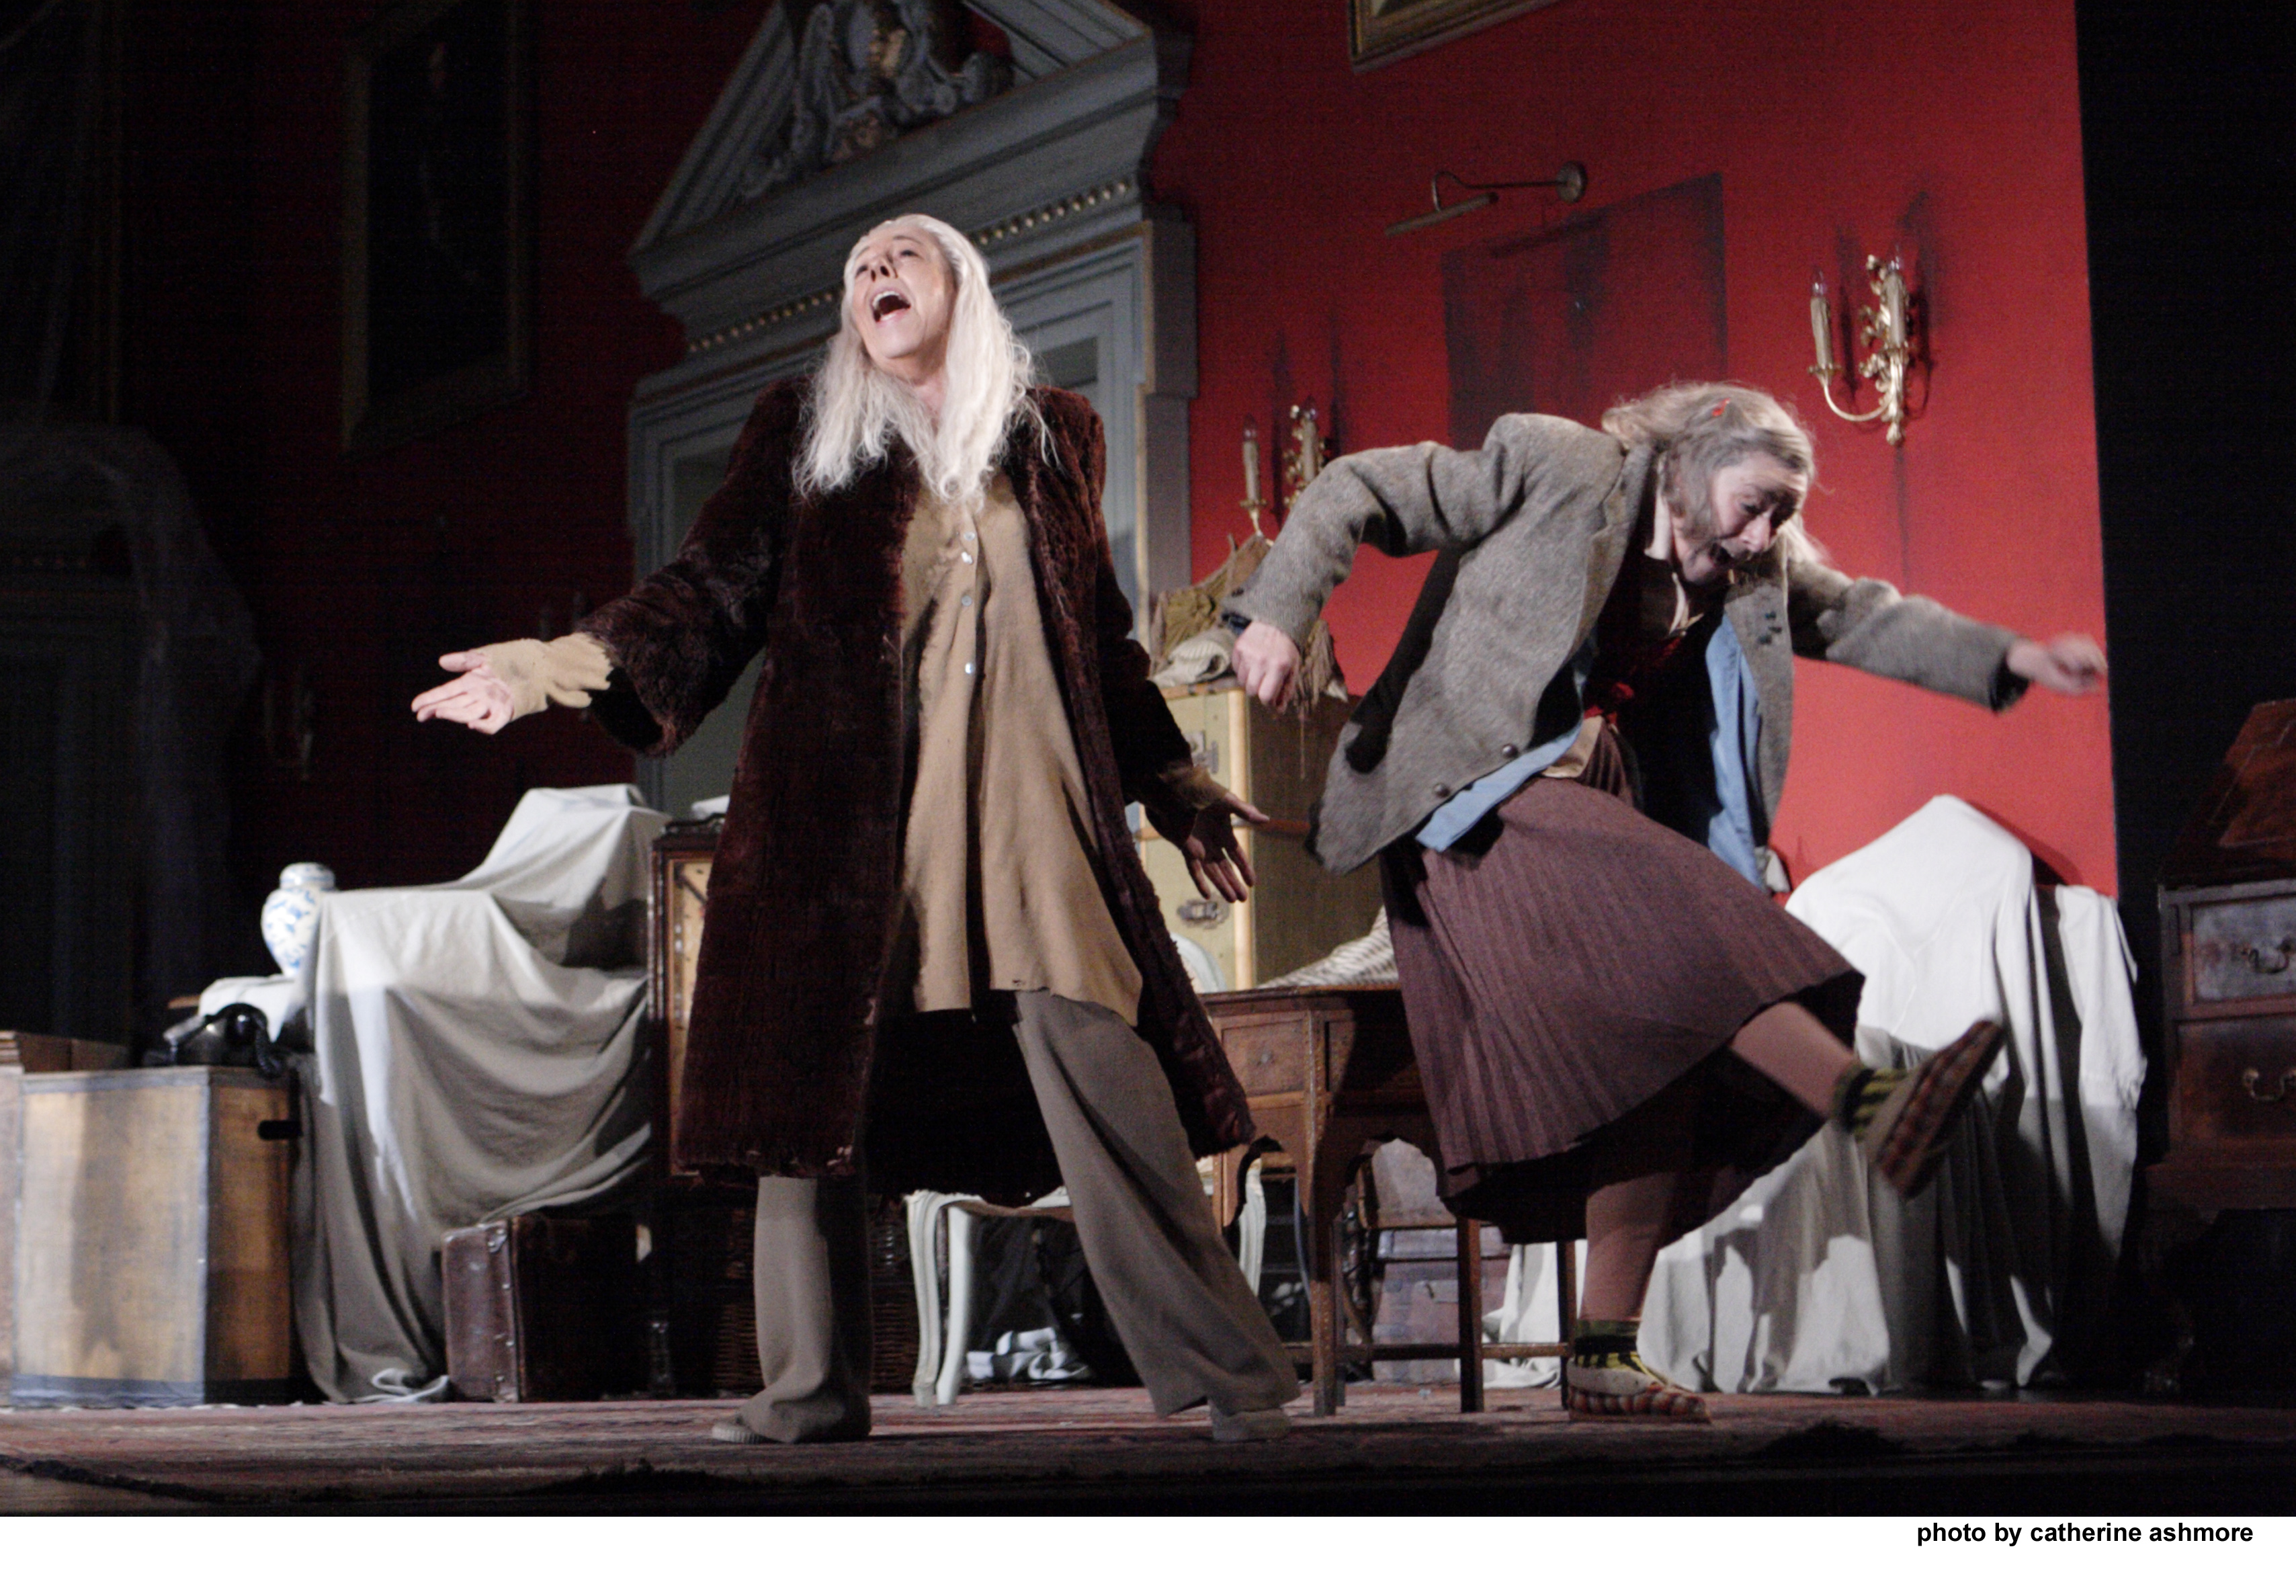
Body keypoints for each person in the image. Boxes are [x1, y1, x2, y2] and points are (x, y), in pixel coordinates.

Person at [414, 213, 1299, 1444]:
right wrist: (551, 667)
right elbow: (705, 595)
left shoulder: (1053, 436)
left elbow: (1100, 639)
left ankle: (1237, 1379)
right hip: (843, 826)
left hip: (1030, 820)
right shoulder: (808, 430)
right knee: (808, 1099)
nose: (875, 274)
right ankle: (807, 1391)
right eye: (858, 270)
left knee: (1111, 1070)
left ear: (960, 286)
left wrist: (1174, 782)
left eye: (901, 257)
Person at [1223, 383, 2104, 1419]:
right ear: (1686, 465)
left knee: (1664, 1061)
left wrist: (2010, 656)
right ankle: (1872, 1105)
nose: (1764, 534)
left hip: (1590, 811)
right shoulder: (1555, 466)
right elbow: (1359, 485)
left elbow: (1855, 614)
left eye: (1782, 513)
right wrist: (1278, 614)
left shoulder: (1747, 569)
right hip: (1473, 805)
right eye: (1753, 504)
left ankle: (1603, 1352)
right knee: (1693, 923)